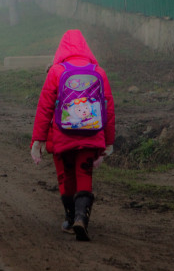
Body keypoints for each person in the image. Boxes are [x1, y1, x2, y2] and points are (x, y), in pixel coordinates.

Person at [30, 29, 115, 241]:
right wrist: (109, 142)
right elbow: (109, 109)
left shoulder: (56, 71)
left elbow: (44, 108)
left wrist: (38, 140)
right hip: (90, 136)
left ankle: (69, 219)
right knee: (84, 174)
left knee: (65, 176)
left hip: (61, 136)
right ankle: (81, 219)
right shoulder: (99, 72)